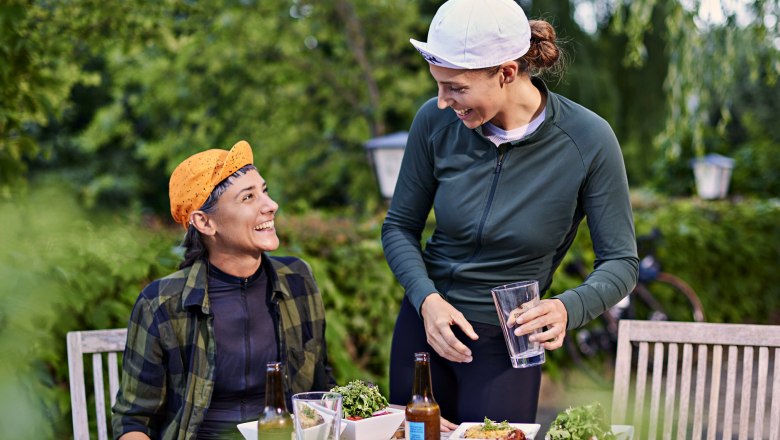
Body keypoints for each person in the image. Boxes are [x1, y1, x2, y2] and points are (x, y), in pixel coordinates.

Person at [382, 0, 639, 426]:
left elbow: (620, 262)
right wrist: (426, 301)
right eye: (439, 85)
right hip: (426, 330)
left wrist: (567, 308)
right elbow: (399, 228)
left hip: (509, 346)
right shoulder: (433, 123)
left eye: (457, 88)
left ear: (506, 72)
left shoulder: (588, 140)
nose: (443, 102)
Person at [112, 140, 335, 439]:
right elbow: (133, 421)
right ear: (204, 222)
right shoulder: (162, 304)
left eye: (264, 191)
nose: (271, 205)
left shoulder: (298, 280)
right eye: (248, 197)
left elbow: (322, 390)